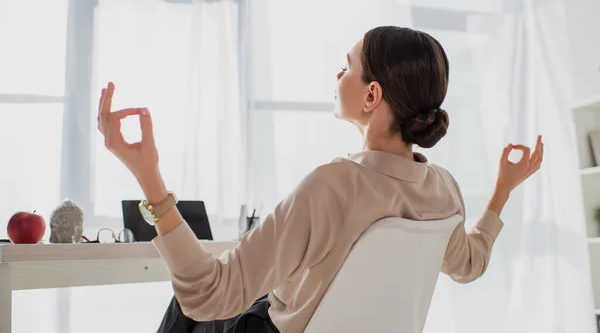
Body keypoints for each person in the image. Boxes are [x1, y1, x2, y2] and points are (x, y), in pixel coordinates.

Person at [97, 26, 543, 333]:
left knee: (186, 302)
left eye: (346, 66)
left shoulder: (333, 185)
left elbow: (209, 294)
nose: (338, 74)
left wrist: (148, 176)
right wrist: (503, 188)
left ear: (372, 95)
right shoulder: (443, 190)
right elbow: (470, 265)